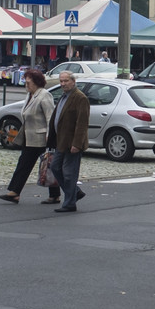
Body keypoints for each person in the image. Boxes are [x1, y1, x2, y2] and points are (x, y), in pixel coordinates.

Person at [0, 70, 59, 204]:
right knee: (24, 165)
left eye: (28, 82)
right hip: (29, 137)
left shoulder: (44, 95)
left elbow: (50, 118)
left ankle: (56, 195)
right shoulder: (30, 95)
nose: (26, 84)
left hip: (41, 138)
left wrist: (50, 136)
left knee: (47, 166)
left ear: (36, 82)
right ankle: (15, 192)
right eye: (25, 81)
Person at [47, 71, 90, 213]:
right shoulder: (63, 97)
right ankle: (74, 192)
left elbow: (82, 123)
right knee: (55, 167)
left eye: (66, 81)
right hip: (61, 141)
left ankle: (70, 203)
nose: (63, 84)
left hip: (72, 142)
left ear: (73, 81)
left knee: (69, 173)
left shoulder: (80, 98)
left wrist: (77, 144)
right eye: (61, 81)